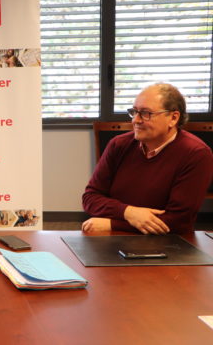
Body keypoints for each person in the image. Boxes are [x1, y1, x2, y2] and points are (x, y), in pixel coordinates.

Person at [82, 83, 213, 235]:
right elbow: (90, 198)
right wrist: (129, 212)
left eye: (146, 113)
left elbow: (177, 221)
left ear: (173, 118)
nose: (136, 120)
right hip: (111, 241)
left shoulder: (196, 154)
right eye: (134, 112)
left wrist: (112, 224)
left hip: (169, 244)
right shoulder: (118, 145)